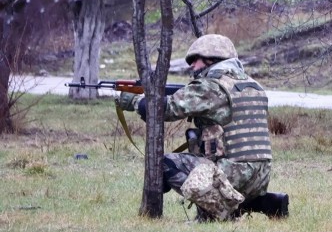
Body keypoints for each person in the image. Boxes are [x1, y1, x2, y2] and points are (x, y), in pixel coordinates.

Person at [116, 34, 288, 221]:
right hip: (261, 176)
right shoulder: (255, 86)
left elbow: (165, 110)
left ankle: (221, 212)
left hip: (232, 173)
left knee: (162, 164)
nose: (192, 66)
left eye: (195, 60)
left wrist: (134, 101)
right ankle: (257, 204)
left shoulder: (211, 87)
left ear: (211, 59)